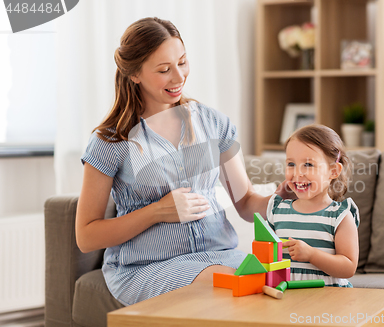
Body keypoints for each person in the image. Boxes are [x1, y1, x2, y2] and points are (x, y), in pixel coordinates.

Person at [76, 17, 289, 306]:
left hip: (219, 255)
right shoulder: (110, 142)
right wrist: (157, 211)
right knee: (238, 287)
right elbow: (86, 236)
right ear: (135, 74)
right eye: (164, 70)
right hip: (146, 267)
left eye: (183, 62)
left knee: (284, 282)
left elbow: (245, 201)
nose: (179, 77)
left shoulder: (214, 124)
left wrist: (281, 200)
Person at [266, 124, 359, 287]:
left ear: (333, 171)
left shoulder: (340, 216)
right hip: (288, 302)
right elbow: (266, 256)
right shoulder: (277, 211)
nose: (297, 173)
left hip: (330, 302)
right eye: (291, 164)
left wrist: (312, 254)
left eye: (308, 165)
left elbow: (348, 267)